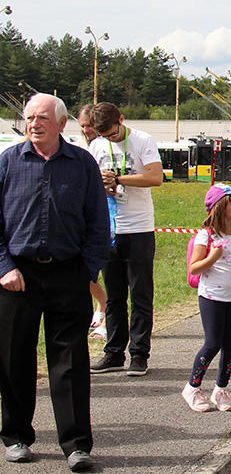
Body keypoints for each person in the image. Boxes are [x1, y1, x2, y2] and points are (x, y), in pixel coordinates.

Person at [0, 94, 108, 472]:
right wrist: (4, 267)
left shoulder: (82, 164)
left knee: (70, 362)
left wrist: (86, 272)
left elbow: (98, 223)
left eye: (42, 117)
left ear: (62, 124)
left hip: (68, 273)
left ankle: (76, 445)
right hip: (17, 276)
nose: (34, 124)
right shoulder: (8, 162)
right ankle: (16, 437)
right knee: (14, 358)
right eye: (29, 117)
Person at [86, 103, 163, 377]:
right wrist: (101, 183)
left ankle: (139, 354)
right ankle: (114, 352)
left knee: (140, 294)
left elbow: (156, 177)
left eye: (112, 133)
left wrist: (119, 178)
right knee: (114, 295)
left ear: (121, 119)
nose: (109, 138)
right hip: (108, 229)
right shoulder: (96, 146)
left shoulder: (142, 140)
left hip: (138, 228)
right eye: (103, 135)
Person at [182, 184, 231, 412]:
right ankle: (192, 387)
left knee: (230, 346)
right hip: (212, 298)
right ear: (219, 208)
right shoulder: (205, 237)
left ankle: (220, 389)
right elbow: (194, 267)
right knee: (212, 343)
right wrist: (213, 256)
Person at [76, 105, 108, 341]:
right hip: (82, 216)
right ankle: (102, 305)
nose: (86, 130)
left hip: (107, 217)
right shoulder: (80, 147)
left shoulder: (106, 146)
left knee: (99, 271)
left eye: (89, 126)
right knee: (85, 272)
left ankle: (105, 312)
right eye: (82, 126)